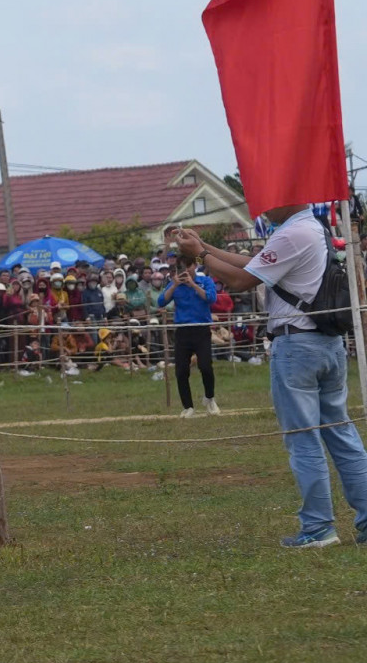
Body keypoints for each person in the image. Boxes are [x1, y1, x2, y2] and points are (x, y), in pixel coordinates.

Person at [178, 212, 367, 548]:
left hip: (297, 345)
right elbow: (253, 262)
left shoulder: (292, 233)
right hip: (328, 342)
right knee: (341, 433)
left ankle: (319, 528)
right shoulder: (312, 226)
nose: (262, 207)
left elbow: (240, 280)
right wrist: (205, 246)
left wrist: (200, 255)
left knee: (303, 439)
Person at [157, 260, 221, 417]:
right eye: (182, 267)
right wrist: (174, 285)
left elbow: (211, 299)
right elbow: (161, 301)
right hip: (183, 331)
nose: (185, 270)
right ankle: (188, 407)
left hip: (202, 329)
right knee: (181, 371)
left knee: (206, 367)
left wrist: (193, 284)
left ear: (195, 266)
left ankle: (209, 398)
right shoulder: (175, 284)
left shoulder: (205, 281)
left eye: (188, 266)